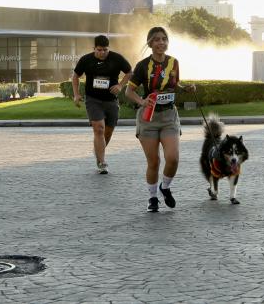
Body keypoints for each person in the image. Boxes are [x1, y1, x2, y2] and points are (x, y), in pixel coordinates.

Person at [125, 27, 195, 212]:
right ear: (150, 43)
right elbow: (129, 91)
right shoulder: (142, 66)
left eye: (164, 39)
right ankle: (152, 198)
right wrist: (142, 101)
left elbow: (174, 83)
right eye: (156, 39)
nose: (161, 42)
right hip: (149, 118)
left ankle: (165, 187)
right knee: (154, 161)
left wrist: (185, 88)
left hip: (169, 116)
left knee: (173, 158)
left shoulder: (174, 63)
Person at [72, 35, 132, 174]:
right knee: (99, 129)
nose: (102, 53)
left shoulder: (117, 58)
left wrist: (120, 85)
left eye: (105, 50)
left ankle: (98, 150)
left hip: (111, 100)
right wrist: (76, 94)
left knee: (108, 131)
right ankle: (102, 162)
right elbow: (75, 76)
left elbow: (129, 72)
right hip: (93, 100)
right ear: (94, 48)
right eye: (99, 50)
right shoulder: (86, 60)